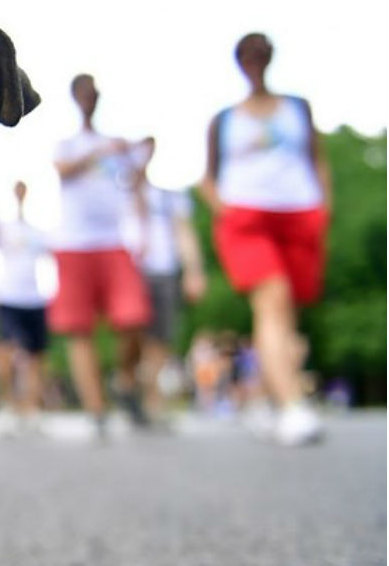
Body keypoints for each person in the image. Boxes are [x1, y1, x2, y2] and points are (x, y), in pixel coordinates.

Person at [198, 32, 330, 446]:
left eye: (261, 53)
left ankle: (272, 398)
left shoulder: (297, 108)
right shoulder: (225, 119)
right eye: (247, 54)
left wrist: (324, 206)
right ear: (239, 62)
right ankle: (293, 406)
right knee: (272, 295)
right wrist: (224, 209)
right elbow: (208, 178)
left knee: (284, 311)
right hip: (247, 217)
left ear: (270, 58)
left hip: (299, 214)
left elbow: (317, 160)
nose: (254, 60)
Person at [51, 74, 154, 436]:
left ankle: (124, 382)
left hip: (114, 242)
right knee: (80, 330)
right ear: (74, 98)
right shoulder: (68, 144)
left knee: (134, 319)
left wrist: (144, 229)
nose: (88, 99)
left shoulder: (117, 145)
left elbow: (138, 183)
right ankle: (96, 410)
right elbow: (62, 171)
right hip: (74, 244)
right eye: (83, 93)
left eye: (93, 94)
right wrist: (102, 151)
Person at [123, 181, 207, 422]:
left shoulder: (170, 193)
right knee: (131, 334)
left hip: (164, 270)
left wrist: (193, 270)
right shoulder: (118, 185)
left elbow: (184, 231)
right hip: (128, 269)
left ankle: (152, 401)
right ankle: (127, 380)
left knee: (161, 337)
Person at [0, 181, 52, 433]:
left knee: (35, 357)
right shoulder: (2, 228)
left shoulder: (38, 232)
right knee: (6, 353)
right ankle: (7, 406)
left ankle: (31, 409)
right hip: (8, 297)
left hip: (34, 298)